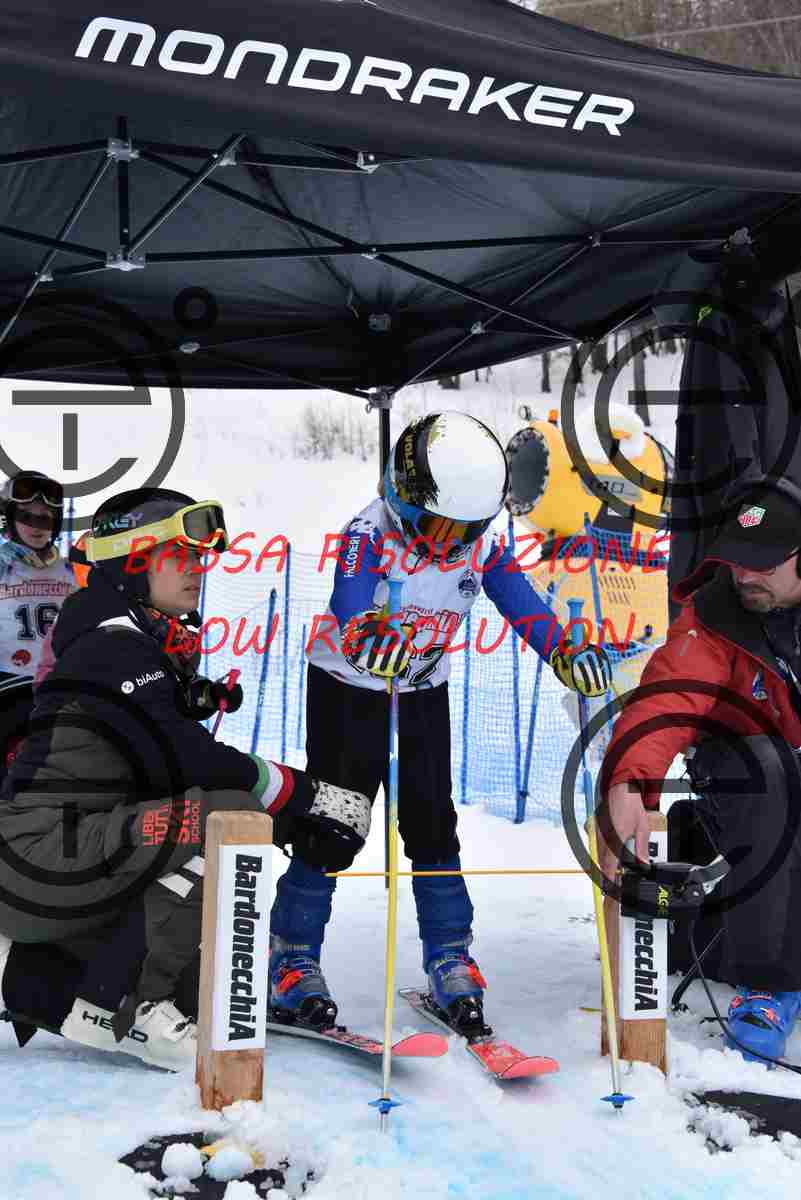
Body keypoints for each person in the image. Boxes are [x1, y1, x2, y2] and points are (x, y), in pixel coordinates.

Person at [0, 487, 371, 1070]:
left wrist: (283, 815)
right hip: (42, 854)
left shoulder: (123, 634)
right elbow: (188, 760)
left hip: (65, 851)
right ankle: (122, 1004)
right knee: (224, 813)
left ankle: (61, 979)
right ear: (133, 560)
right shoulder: (112, 643)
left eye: (199, 557)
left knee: (216, 829)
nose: (198, 569)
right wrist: (308, 798)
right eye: (180, 556)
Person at [270, 411, 612, 1035]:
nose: (445, 541)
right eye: (435, 525)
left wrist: (563, 651)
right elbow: (350, 593)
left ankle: (450, 954)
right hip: (349, 687)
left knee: (432, 821)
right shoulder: (369, 531)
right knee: (336, 822)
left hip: (423, 688)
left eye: (463, 529)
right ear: (404, 496)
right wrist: (363, 630)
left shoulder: (480, 546)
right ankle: (292, 958)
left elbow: (521, 603)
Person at [598, 478, 801, 1063]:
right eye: (738, 560)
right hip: (741, 782)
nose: (745, 575)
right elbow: (666, 702)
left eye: (764, 563)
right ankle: (766, 984)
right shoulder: (712, 616)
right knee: (766, 764)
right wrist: (630, 781)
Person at [0, 471, 75, 783]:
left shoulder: (71, 569)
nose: (36, 526)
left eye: (45, 518)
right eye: (26, 517)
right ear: (8, 518)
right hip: (8, 688)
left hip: (58, 688)